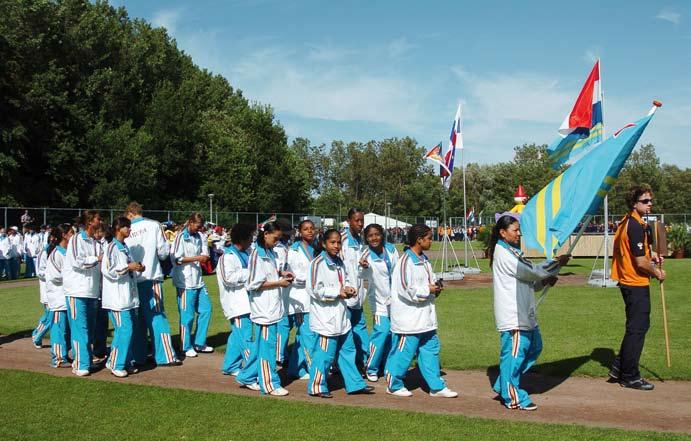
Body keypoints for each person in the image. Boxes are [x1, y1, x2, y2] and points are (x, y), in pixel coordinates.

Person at [488, 213, 568, 410]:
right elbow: (531, 270)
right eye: (515, 230)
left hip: (525, 312)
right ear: (503, 233)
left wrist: (544, 280)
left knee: (534, 348)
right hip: (513, 315)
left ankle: (504, 383)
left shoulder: (513, 252)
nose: (519, 234)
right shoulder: (504, 253)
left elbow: (529, 281)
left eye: (519, 230)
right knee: (514, 355)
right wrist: (556, 263)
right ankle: (513, 396)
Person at [385, 224, 457, 398]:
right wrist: (428, 289)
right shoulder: (405, 262)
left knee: (431, 350)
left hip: (426, 318)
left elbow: (429, 283)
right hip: (408, 320)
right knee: (403, 353)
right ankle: (393, 384)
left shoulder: (424, 260)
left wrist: (436, 289)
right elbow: (405, 289)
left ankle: (436, 386)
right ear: (419, 239)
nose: (431, 241)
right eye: (429, 238)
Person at [609, 185, 665, 390]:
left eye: (650, 200)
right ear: (635, 204)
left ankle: (618, 367)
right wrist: (657, 272)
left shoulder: (633, 223)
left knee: (636, 327)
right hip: (634, 283)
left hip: (630, 281)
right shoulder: (633, 225)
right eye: (645, 201)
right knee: (637, 329)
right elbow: (640, 263)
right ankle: (630, 376)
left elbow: (640, 254)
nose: (650, 204)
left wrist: (653, 256)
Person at [307, 228, 374, 398]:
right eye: (332, 242)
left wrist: (349, 288)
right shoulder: (317, 264)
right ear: (324, 244)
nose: (336, 246)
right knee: (324, 355)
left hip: (342, 316)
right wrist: (338, 291)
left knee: (348, 352)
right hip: (325, 318)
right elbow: (314, 289)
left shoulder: (340, 263)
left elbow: (346, 281)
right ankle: (316, 386)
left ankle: (355, 384)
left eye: (339, 242)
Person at [236, 221, 291, 396]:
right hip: (264, 309)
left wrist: (282, 274)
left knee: (261, 346)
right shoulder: (257, 255)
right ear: (265, 234)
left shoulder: (271, 253)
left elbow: (267, 275)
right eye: (275, 238)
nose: (277, 242)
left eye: (279, 239)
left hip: (272, 307)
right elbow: (253, 284)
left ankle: (247, 376)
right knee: (268, 347)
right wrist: (278, 282)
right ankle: (269, 384)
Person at [124, 202, 180, 367]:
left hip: (132, 279)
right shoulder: (154, 225)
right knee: (157, 316)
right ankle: (165, 356)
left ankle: (138, 356)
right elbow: (163, 253)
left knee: (138, 319)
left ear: (129, 213)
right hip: (151, 276)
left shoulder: (126, 229)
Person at [101, 217, 144, 378]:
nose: (130, 230)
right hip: (117, 299)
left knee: (128, 330)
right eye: (127, 227)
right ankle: (116, 364)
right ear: (119, 228)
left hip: (129, 297)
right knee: (125, 330)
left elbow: (129, 265)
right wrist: (128, 267)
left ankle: (123, 361)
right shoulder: (111, 247)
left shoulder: (125, 247)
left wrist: (137, 267)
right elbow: (108, 270)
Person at [63, 210, 103, 377]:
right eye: (98, 219)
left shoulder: (95, 242)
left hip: (92, 292)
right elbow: (76, 262)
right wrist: (96, 259)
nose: (100, 221)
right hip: (76, 291)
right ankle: (80, 364)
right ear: (89, 222)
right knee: (81, 329)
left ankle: (85, 359)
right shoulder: (76, 239)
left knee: (90, 330)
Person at [358, 223, 398, 382]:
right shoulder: (366, 255)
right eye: (370, 236)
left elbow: (398, 269)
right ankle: (371, 367)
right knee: (381, 332)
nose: (374, 238)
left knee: (392, 333)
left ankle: (386, 365)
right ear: (366, 238)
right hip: (379, 300)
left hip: (395, 300)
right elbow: (362, 276)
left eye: (377, 234)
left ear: (382, 235)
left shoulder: (391, 249)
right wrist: (363, 268)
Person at [171, 213, 214, 357]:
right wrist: (196, 258)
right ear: (190, 222)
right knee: (187, 315)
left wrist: (203, 257)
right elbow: (176, 259)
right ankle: (185, 345)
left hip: (198, 280)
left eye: (201, 226)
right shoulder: (180, 237)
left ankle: (199, 342)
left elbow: (205, 253)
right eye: (197, 225)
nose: (199, 228)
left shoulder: (200, 236)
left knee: (206, 309)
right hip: (185, 282)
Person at [217, 224, 255, 376]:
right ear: (242, 238)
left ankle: (231, 365)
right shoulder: (227, 257)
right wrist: (250, 273)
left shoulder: (247, 253)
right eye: (250, 237)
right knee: (246, 338)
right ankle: (252, 372)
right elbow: (229, 278)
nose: (252, 240)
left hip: (247, 301)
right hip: (236, 304)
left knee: (236, 336)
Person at [284, 219, 318, 380]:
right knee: (308, 334)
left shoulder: (317, 248)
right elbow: (293, 276)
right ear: (300, 231)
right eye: (306, 229)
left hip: (313, 299)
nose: (310, 231)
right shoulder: (293, 251)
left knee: (301, 336)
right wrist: (313, 279)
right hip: (299, 300)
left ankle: (294, 369)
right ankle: (314, 369)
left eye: (312, 228)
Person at [340, 208, 369, 369]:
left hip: (358, 294)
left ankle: (365, 361)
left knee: (360, 327)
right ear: (349, 221)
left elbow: (356, 267)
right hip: (346, 294)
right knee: (345, 331)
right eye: (357, 220)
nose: (360, 224)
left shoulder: (359, 240)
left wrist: (363, 265)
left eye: (362, 220)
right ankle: (342, 364)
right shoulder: (342, 239)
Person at [45, 224, 75, 368]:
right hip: (58, 298)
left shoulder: (68, 252)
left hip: (68, 297)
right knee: (58, 328)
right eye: (71, 233)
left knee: (67, 329)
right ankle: (57, 358)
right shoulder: (56, 254)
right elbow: (54, 276)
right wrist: (71, 276)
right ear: (64, 235)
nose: (73, 235)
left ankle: (65, 354)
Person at [30, 236, 52, 349]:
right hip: (47, 291)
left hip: (57, 290)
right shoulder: (44, 252)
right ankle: (37, 335)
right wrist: (52, 274)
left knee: (51, 316)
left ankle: (37, 334)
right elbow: (40, 272)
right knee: (51, 316)